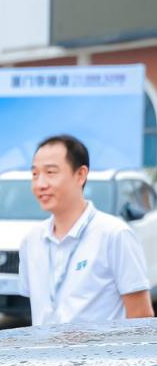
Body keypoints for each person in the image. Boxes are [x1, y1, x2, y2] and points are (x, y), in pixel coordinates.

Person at [19, 134, 153, 326]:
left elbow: (140, 317)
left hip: (103, 347)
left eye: (50, 172)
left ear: (80, 175)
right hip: (43, 346)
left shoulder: (114, 234)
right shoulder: (31, 240)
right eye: (34, 174)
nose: (40, 184)